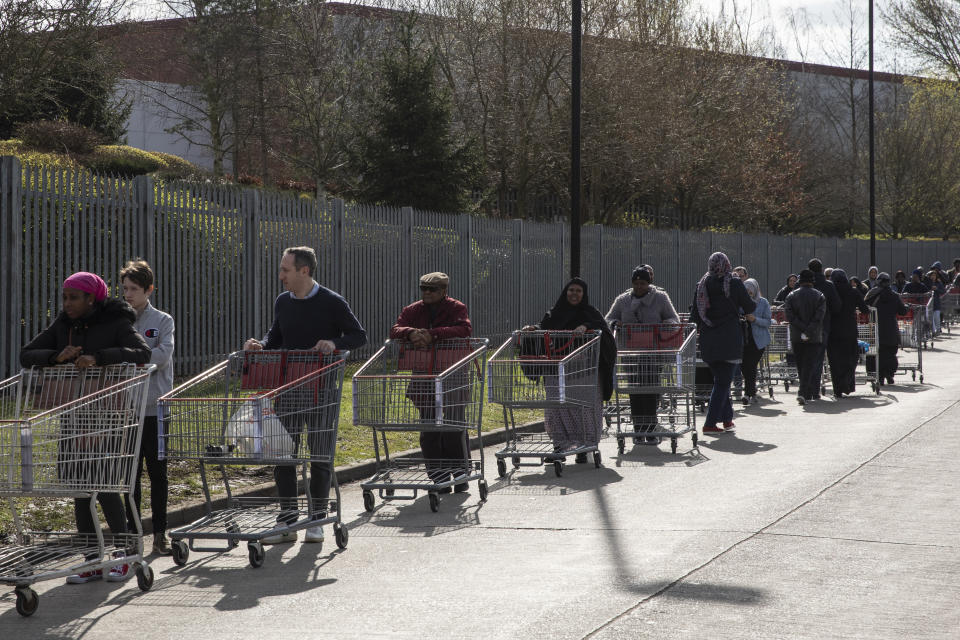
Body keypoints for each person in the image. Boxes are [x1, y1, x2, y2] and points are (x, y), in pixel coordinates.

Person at [20, 271, 151, 584]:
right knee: (81, 487)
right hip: (76, 415)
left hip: (110, 413)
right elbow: (26, 355)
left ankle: (123, 554)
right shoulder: (63, 325)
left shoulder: (116, 322)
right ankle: (92, 558)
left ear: (92, 299)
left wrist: (99, 358)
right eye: (65, 297)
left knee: (106, 485)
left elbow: (142, 352)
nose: (67, 304)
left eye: (74, 297)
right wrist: (55, 356)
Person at [245, 247, 367, 544]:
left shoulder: (332, 301)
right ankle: (287, 520)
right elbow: (275, 339)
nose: (280, 275)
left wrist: (333, 343)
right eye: (281, 269)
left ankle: (317, 520)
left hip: (322, 389)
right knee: (283, 454)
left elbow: (358, 336)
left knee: (319, 454)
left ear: (304, 271)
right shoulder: (283, 302)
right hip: (287, 388)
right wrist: (260, 345)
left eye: (285, 270)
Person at [391, 272, 473, 488]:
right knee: (429, 425)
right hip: (423, 373)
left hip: (453, 372)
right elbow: (395, 329)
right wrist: (411, 333)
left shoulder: (456, 308)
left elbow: (464, 328)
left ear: (444, 291)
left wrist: (433, 334)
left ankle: (460, 472)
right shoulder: (412, 310)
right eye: (423, 289)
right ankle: (438, 475)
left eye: (432, 289)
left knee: (454, 424)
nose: (426, 293)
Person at [524, 278, 616, 458]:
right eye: (571, 290)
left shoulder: (590, 313)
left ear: (584, 294)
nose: (574, 294)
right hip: (556, 369)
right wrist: (534, 329)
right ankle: (559, 444)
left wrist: (586, 326)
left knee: (583, 409)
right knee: (556, 408)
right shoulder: (554, 313)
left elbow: (603, 332)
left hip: (583, 372)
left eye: (578, 291)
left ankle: (585, 445)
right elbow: (546, 327)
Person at [119, 259, 175, 556]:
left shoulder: (163, 321)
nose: (128, 294)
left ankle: (161, 535)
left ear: (149, 289)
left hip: (157, 408)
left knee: (158, 475)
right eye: (125, 288)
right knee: (130, 476)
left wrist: (137, 360)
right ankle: (133, 535)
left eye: (134, 289)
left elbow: (163, 355)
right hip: (129, 409)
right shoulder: (120, 321)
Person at [605, 266, 679, 445]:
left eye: (643, 283)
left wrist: (662, 325)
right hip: (630, 354)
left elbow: (674, 319)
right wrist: (616, 323)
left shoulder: (661, 298)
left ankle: (651, 429)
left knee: (651, 390)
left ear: (649, 283)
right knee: (635, 391)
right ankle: (638, 429)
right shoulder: (623, 300)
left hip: (653, 353)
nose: (639, 287)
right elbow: (607, 319)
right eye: (636, 283)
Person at [689, 252, 755, 435]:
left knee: (720, 380)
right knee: (723, 382)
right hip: (729, 338)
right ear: (727, 264)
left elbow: (695, 315)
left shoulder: (702, 284)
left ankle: (727, 420)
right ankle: (709, 424)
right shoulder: (734, 283)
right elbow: (750, 307)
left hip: (708, 340)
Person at [784, 270, 826, 405]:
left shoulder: (791, 295)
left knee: (801, 364)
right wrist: (808, 331)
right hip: (814, 336)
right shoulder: (819, 296)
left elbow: (789, 315)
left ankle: (804, 392)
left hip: (796, 335)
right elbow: (819, 317)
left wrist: (801, 328)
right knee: (809, 364)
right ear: (812, 281)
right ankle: (804, 392)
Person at [827, 269, 869, 398]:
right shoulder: (853, 291)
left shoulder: (830, 291)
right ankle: (847, 382)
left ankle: (837, 389)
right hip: (849, 330)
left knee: (834, 361)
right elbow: (865, 309)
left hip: (832, 331)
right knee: (851, 358)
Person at [864, 273, 907, 385]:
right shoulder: (894, 295)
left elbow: (864, 307)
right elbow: (902, 311)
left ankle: (879, 375)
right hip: (891, 329)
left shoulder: (872, 294)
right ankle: (889, 373)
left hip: (876, 328)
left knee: (877, 352)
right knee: (890, 352)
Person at [808, 259, 841, 399]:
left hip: (803, 326)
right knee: (818, 358)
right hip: (823, 325)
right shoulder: (828, 285)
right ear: (821, 269)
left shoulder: (802, 285)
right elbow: (837, 305)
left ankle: (805, 388)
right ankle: (814, 390)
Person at [740, 279, 771, 405]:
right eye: (746, 290)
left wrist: (755, 319)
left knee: (751, 365)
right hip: (743, 339)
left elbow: (768, 321)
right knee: (744, 366)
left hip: (758, 340)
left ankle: (748, 394)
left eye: (751, 290)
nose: (749, 293)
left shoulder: (763, 302)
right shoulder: (740, 302)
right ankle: (751, 392)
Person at [926, 270, 945, 335]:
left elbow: (943, 291)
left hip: (937, 302)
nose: (933, 277)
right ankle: (933, 331)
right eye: (932, 275)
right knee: (931, 318)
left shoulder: (938, 283)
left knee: (937, 316)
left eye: (934, 275)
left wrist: (936, 289)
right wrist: (930, 289)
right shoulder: (927, 283)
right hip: (929, 303)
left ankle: (938, 329)